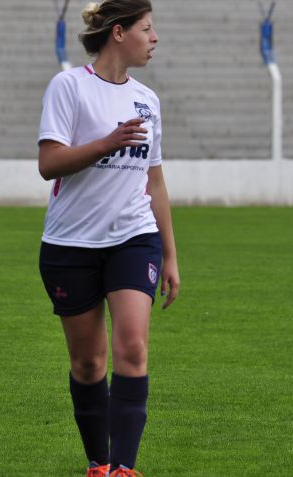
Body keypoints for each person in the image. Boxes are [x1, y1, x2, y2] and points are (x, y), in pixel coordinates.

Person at [37, 1, 180, 476]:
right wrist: (107, 142)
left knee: (133, 347)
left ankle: (124, 468)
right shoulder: (69, 86)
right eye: (147, 28)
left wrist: (172, 256)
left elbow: (154, 182)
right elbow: (49, 164)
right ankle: (98, 463)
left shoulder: (148, 99)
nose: (154, 37)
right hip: (71, 245)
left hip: (133, 238)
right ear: (118, 33)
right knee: (88, 363)